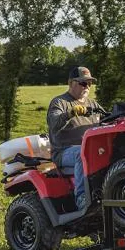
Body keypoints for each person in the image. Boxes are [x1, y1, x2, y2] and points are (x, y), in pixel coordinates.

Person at [47, 66, 104, 210]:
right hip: (64, 152)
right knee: (82, 153)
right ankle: (82, 199)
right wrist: (69, 113)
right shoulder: (60, 102)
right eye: (83, 83)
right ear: (71, 83)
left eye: (90, 83)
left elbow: (107, 120)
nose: (87, 87)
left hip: (92, 149)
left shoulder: (93, 104)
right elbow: (53, 123)